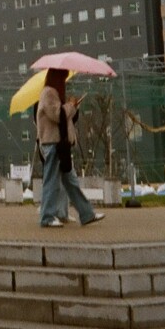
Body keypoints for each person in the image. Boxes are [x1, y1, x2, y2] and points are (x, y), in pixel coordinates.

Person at [36, 68, 104, 228]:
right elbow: (57, 115)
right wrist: (70, 106)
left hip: (60, 144)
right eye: (63, 78)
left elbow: (64, 116)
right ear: (57, 78)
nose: (65, 82)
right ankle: (47, 217)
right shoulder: (48, 93)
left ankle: (87, 214)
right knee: (51, 181)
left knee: (70, 181)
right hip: (53, 143)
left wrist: (73, 106)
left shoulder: (54, 94)